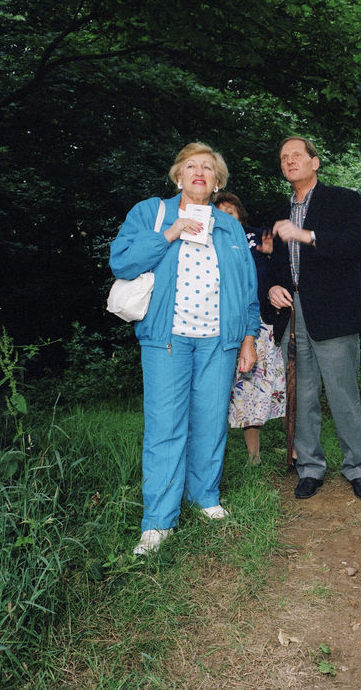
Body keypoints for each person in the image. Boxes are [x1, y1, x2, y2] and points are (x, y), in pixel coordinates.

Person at [110, 142, 260, 556]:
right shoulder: (150, 213)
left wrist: (249, 336)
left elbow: (248, 287)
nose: (199, 172)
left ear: (217, 181)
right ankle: (158, 522)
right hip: (167, 339)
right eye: (191, 166)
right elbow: (121, 262)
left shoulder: (228, 226)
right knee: (165, 426)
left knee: (211, 422)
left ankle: (204, 497)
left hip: (219, 341)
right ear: (179, 177)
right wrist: (169, 233)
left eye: (208, 168)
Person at [265, 135, 361, 500]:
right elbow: (271, 264)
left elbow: (359, 247)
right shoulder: (278, 212)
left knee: (343, 393)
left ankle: (358, 468)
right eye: (284, 157)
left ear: (315, 162)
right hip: (293, 315)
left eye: (297, 155)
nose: (290, 161)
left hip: (333, 313)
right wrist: (272, 288)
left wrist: (307, 234)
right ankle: (310, 468)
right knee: (302, 394)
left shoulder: (343, 200)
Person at [214, 192, 287, 466]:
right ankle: (253, 456)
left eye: (230, 211)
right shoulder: (211, 243)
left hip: (264, 323)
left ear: (240, 215)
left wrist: (271, 256)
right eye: (220, 213)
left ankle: (293, 446)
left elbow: (289, 266)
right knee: (244, 390)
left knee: (274, 385)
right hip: (227, 326)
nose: (226, 217)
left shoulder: (260, 236)